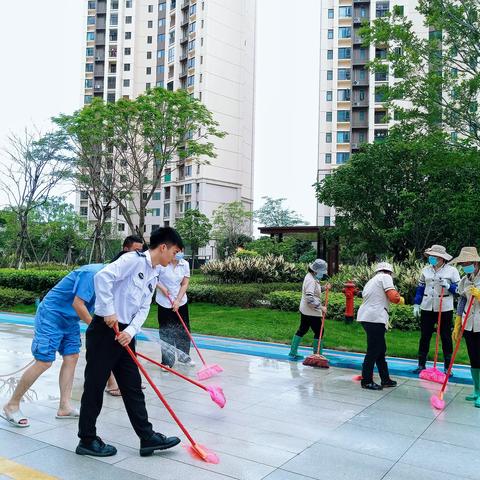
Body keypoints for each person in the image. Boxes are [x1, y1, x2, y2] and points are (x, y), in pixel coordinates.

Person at [76, 227, 184, 458]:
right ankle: (87, 439)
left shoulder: (155, 273)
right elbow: (102, 277)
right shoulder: (132, 260)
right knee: (95, 386)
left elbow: (144, 307)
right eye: (174, 252)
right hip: (105, 330)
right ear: (163, 247)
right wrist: (108, 311)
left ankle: (147, 438)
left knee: (133, 387)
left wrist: (131, 331)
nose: (174, 258)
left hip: (125, 334)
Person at [1, 264, 104, 427]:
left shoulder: (115, 279)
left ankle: (64, 407)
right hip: (51, 315)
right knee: (44, 361)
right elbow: (78, 304)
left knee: (72, 357)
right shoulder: (92, 274)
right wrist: (98, 330)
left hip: (71, 319)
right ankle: (12, 404)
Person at [105, 234, 145, 397]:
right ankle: (112, 384)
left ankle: (130, 383)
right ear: (125, 249)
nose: (139, 255)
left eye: (141, 251)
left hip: (126, 323)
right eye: (136, 250)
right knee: (107, 358)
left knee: (128, 355)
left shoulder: (139, 268)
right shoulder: (115, 268)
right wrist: (107, 316)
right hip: (109, 321)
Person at [412, 245, 461, 375]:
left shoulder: (452, 271)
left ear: (441, 258)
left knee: (445, 336)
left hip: (444, 307)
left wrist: (449, 285)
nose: (431, 259)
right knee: (425, 336)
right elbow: (420, 288)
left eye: (434, 257)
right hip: (427, 306)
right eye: (430, 256)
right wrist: (416, 304)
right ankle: (421, 364)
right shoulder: (425, 270)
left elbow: (459, 290)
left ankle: (447, 367)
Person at [357, 262, 404, 390]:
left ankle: (385, 379)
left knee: (380, 349)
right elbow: (393, 297)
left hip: (368, 317)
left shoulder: (372, 280)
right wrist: (400, 299)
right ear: (389, 272)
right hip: (375, 318)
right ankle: (366, 381)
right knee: (373, 350)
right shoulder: (385, 277)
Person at [451, 247, 480, 406]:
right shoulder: (464, 280)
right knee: (474, 358)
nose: (464, 266)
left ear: (475, 262)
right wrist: (457, 323)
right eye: (463, 264)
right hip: (468, 324)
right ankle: (477, 390)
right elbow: (462, 301)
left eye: (467, 263)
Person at [156, 248, 193, 367]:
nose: (178, 254)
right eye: (175, 251)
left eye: (180, 251)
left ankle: (184, 358)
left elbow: (185, 283)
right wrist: (162, 288)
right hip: (164, 302)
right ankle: (167, 362)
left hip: (180, 302)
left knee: (183, 331)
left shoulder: (185, 264)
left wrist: (177, 300)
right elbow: (153, 278)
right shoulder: (162, 263)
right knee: (166, 331)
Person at [288, 259, 328, 361]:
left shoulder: (311, 277)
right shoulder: (311, 280)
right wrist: (321, 307)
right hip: (311, 311)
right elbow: (310, 298)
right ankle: (317, 354)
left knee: (303, 329)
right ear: (316, 271)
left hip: (306, 310)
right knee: (319, 331)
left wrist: (323, 288)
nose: (322, 274)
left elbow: (315, 290)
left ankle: (293, 352)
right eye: (321, 272)